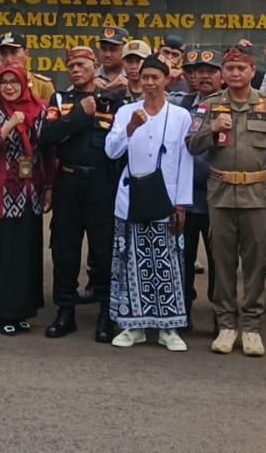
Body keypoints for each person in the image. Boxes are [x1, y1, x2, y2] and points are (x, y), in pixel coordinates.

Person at [186, 45, 266, 358]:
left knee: (257, 263)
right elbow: (191, 145)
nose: (234, 74)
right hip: (221, 195)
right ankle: (227, 323)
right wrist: (212, 129)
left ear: (252, 71)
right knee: (222, 261)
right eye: (228, 69)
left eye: (240, 69)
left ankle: (253, 326)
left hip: (258, 196)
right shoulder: (210, 106)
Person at [105, 56, 194, 351]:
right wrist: (130, 127)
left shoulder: (180, 115)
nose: (150, 83)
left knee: (166, 265)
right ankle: (134, 326)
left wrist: (181, 204)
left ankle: (168, 329)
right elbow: (112, 151)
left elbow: (185, 161)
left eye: (156, 77)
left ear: (167, 80)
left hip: (166, 199)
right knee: (131, 261)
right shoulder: (126, 111)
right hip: (132, 197)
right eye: (145, 78)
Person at [38, 46, 125, 342]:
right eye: (71, 65)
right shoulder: (60, 99)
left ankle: (105, 313)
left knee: (103, 251)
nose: (76, 69)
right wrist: (79, 113)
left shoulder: (115, 102)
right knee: (65, 250)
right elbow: (46, 136)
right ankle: (65, 311)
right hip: (68, 182)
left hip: (103, 185)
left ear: (96, 65)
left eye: (82, 64)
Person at [0, 65, 52, 336]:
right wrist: (7, 127)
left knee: (25, 254)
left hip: (30, 193)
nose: (8, 87)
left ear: (24, 84)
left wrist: (50, 186)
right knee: (3, 254)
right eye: (3, 82)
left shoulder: (40, 109)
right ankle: (2, 312)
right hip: (0, 193)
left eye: (13, 82)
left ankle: (22, 311)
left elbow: (48, 150)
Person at [177, 49, 221, 328]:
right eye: (197, 71)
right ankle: (182, 310)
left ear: (221, 75)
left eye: (210, 70)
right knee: (183, 256)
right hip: (185, 194)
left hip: (219, 195)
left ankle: (221, 313)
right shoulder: (180, 105)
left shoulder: (232, 104)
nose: (203, 76)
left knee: (220, 260)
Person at [0, 33, 56, 103]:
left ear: (26, 53)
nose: (9, 59)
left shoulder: (42, 85)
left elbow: (52, 117)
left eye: (14, 52)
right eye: (4, 54)